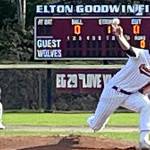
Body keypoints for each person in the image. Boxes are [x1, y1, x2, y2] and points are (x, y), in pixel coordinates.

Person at [87, 22, 150, 149]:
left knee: (147, 105)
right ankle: (91, 120)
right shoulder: (142, 55)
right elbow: (128, 49)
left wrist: (144, 94)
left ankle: (144, 140)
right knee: (96, 126)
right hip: (113, 92)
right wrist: (119, 36)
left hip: (130, 95)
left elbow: (147, 87)